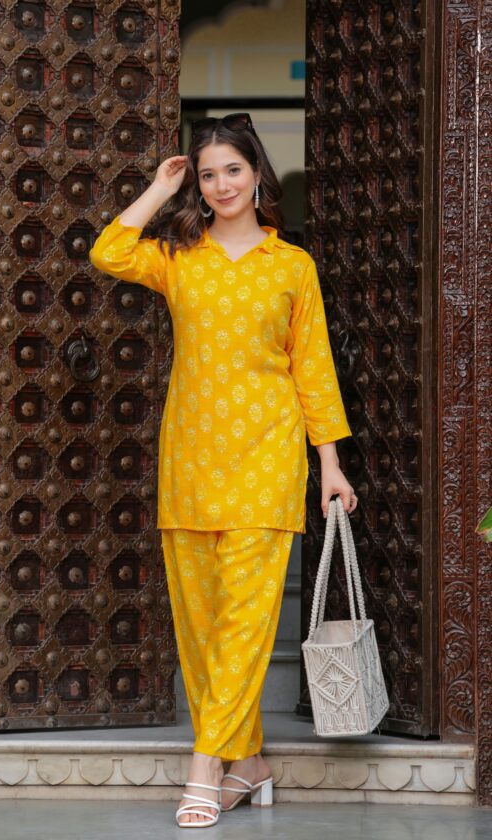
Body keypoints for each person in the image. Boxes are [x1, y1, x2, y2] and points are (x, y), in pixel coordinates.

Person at [90, 112, 356, 828]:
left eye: (232, 170)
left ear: (256, 173)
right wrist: (159, 186)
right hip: (190, 460)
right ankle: (251, 765)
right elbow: (109, 251)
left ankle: (205, 768)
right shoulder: (179, 257)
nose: (221, 184)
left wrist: (329, 463)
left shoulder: (291, 265)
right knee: (203, 628)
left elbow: (314, 368)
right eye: (207, 174)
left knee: (243, 620)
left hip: (267, 458)